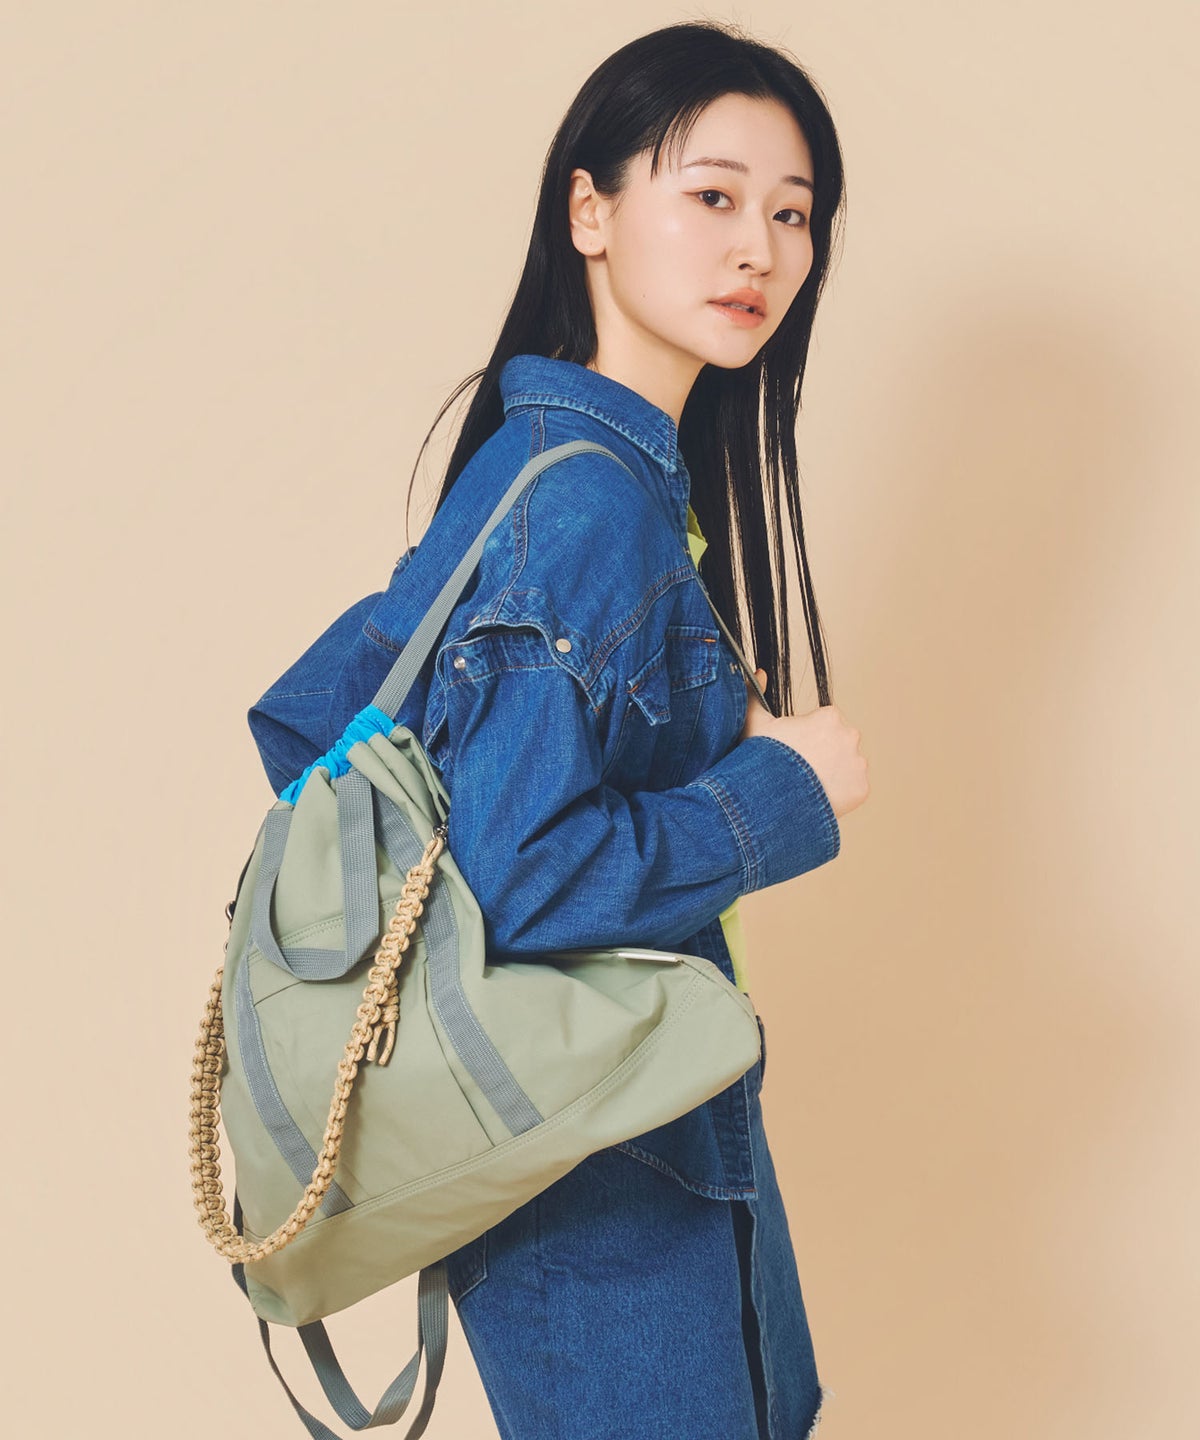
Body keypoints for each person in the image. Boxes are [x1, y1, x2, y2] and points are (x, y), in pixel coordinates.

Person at [247, 19, 869, 1440]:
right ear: (589, 212)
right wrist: (781, 791)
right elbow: (518, 881)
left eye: (792, 215)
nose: (758, 249)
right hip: (596, 1182)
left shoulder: (586, 481)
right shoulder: (581, 499)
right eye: (711, 196)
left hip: (643, 1140)